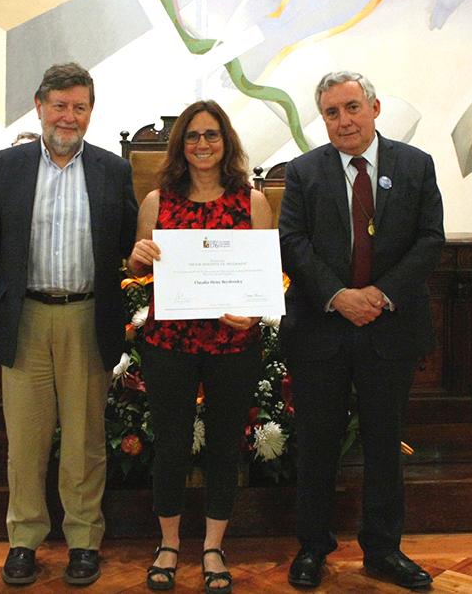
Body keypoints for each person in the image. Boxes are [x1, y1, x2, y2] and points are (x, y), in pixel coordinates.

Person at [0, 62, 138, 587]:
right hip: (25, 319)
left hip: (88, 317)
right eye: (59, 105)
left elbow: (131, 252)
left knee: (85, 440)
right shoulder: (7, 166)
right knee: (26, 440)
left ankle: (84, 540)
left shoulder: (113, 170)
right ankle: (24, 539)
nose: (69, 116)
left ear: (90, 112)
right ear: (39, 107)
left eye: (79, 107)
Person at [279, 71, 444, 590]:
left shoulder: (415, 165)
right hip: (320, 330)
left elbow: (429, 239)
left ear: (374, 108)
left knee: (383, 442)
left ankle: (383, 550)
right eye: (332, 112)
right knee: (317, 443)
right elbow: (293, 241)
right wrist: (338, 296)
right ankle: (312, 548)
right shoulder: (304, 172)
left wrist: (379, 295)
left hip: (389, 328)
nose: (343, 120)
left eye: (352, 107)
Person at [128, 100, 272, 594]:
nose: (203, 144)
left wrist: (253, 309)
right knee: (170, 443)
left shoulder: (252, 202)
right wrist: (137, 256)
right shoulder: (157, 202)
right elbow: (138, 271)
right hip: (170, 341)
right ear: (180, 145)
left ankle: (213, 546)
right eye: (193, 136)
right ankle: (168, 544)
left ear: (226, 142)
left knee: (224, 445)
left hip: (234, 342)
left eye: (212, 135)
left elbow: (268, 274)